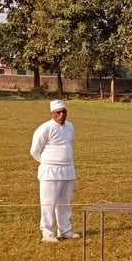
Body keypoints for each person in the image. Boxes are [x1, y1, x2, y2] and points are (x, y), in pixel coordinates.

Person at [30, 100, 79, 243]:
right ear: (52, 114)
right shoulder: (45, 128)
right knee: (48, 202)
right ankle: (47, 233)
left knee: (65, 201)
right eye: (58, 112)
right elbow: (34, 151)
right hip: (50, 171)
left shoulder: (70, 127)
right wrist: (48, 162)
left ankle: (65, 230)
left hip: (68, 169)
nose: (62, 115)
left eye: (64, 112)